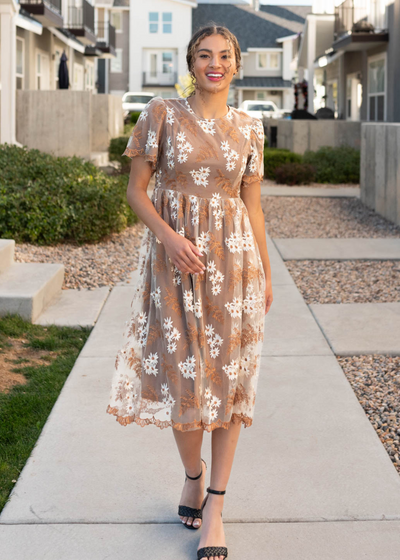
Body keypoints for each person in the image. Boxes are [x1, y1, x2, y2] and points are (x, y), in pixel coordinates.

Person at [106, 24, 273, 560]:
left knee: (226, 388)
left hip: (235, 266)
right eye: (205, 55)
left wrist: (264, 274)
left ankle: (215, 511)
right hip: (174, 266)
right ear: (190, 63)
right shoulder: (161, 113)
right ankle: (192, 476)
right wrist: (169, 236)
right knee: (182, 378)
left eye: (224, 56)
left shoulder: (250, 128)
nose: (214, 64)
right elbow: (136, 191)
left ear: (237, 64)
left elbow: (253, 209)